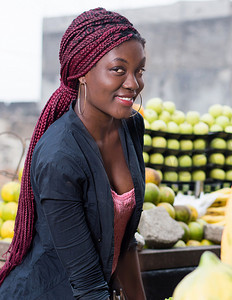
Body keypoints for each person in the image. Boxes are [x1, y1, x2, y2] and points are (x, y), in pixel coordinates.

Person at [0, 8, 147, 299]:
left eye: (139, 70)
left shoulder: (131, 127)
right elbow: (89, 286)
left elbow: (127, 242)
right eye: (119, 70)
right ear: (82, 73)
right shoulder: (59, 157)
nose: (134, 83)